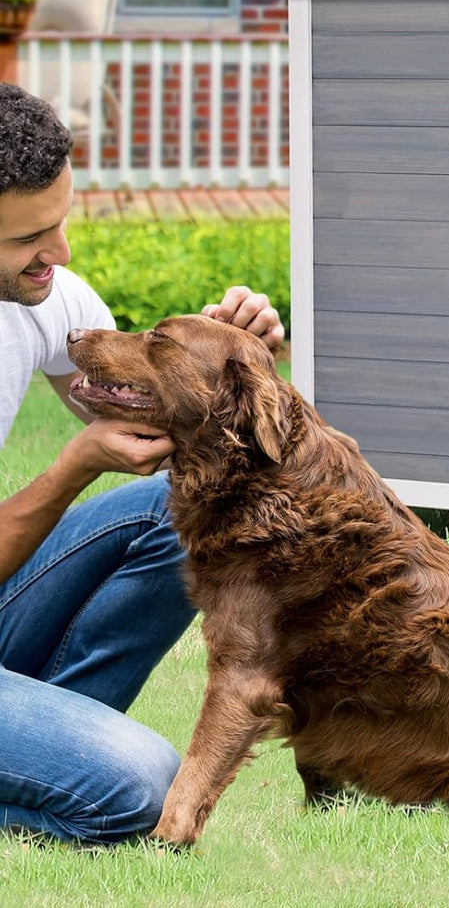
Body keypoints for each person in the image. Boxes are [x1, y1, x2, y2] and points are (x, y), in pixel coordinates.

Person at [0, 83, 284, 844]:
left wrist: (222, 356)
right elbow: (93, 448)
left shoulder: (41, 294)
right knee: (141, 786)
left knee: (172, 511)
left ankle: (51, 739)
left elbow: (141, 404)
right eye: (30, 238)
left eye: (61, 222)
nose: (59, 254)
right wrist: (73, 467)